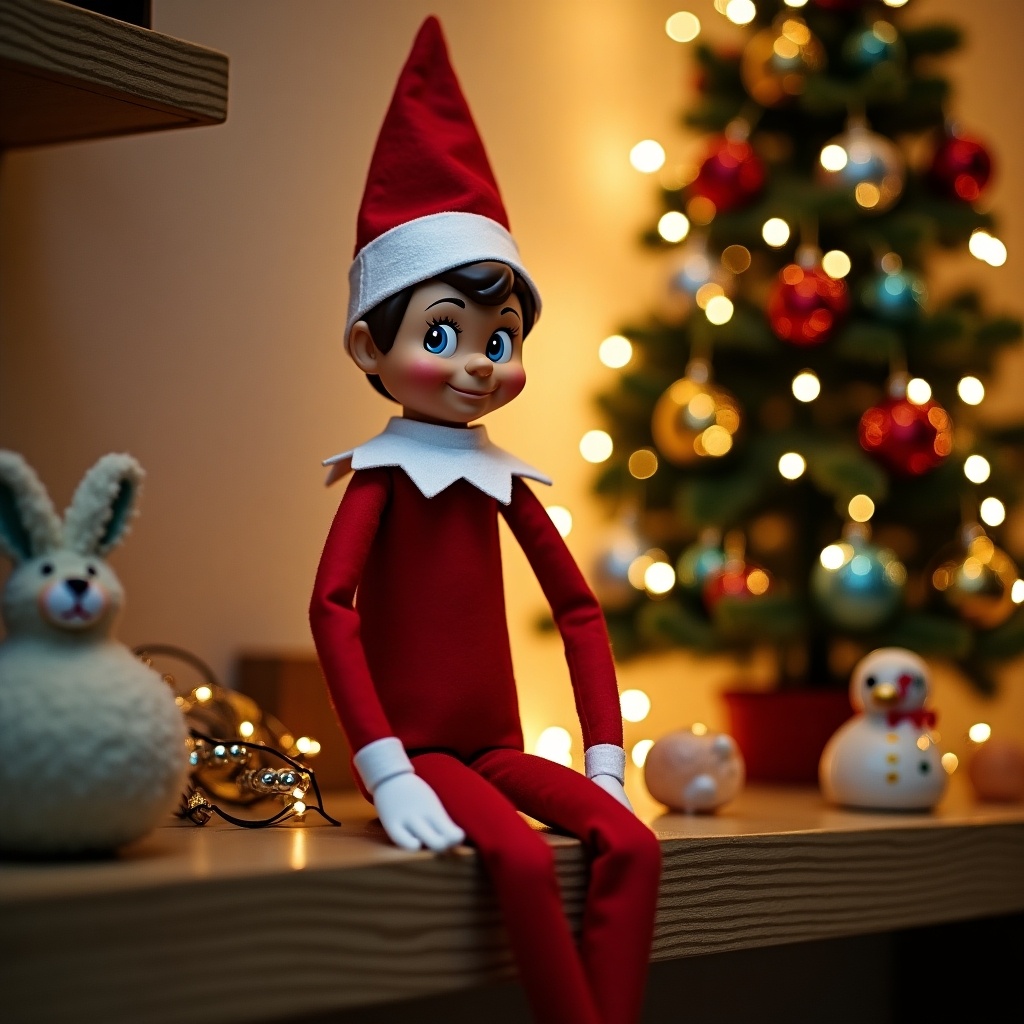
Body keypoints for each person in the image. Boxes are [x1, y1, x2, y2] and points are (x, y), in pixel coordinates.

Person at [309, 18, 660, 1024]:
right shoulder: (376, 475)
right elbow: (331, 610)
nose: (478, 362)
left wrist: (603, 759)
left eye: (499, 337)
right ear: (369, 347)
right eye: (443, 333)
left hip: (497, 743)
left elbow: (580, 611)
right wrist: (381, 767)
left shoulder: (501, 477)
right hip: (419, 752)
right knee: (509, 854)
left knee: (629, 842)